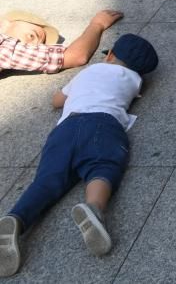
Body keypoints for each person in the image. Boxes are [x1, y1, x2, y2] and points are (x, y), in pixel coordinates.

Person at [0, 34, 159, 276]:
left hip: (64, 129)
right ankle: (94, 207)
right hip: (104, 124)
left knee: (46, 180)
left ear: (110, 55)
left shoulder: (90, 71)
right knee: (103, 166)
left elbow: (57, 100)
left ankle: (17, 217)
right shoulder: (135, 80)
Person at [1, 9, 123, 74]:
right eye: (31, 35)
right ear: (4, 25)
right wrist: (97, 24)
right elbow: (75, 56)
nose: (32, 46)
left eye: (39, 44)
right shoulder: (7, 48)